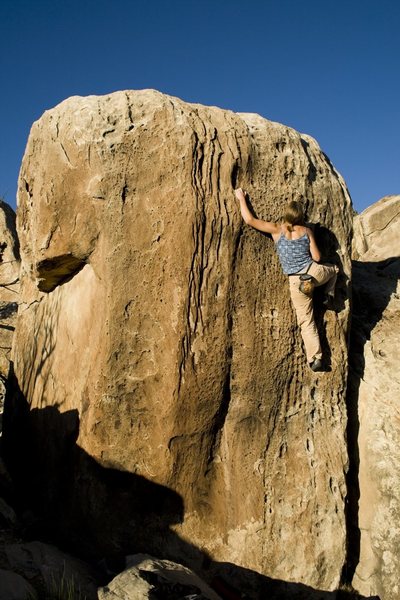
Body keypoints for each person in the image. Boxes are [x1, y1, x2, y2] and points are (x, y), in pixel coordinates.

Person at [234, 187, 338, 372]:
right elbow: (317, 258)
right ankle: (328, 293)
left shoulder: (276, 230)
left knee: (307, 321)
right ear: (300, 216)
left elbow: (249, 220)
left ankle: (316, 358)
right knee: (334, 269)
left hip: (297, 282)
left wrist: (241, 198)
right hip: (313, 272)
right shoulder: (306, 231)